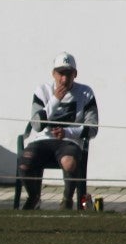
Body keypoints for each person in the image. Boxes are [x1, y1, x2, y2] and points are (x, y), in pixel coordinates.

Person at [20, 51, 98, 210]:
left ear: (75, 74)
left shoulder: (86, 92)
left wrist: (68, 133)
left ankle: (67, 198)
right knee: (24, 163)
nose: (64, 79)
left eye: (68, 74)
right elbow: (36, 125)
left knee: (69, 163)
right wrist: (55, 99)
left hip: (70, 141)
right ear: (53, 74)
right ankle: (34, 197)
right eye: (61, 73)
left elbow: (93, 128)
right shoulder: (42, 90)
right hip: (42, 139)